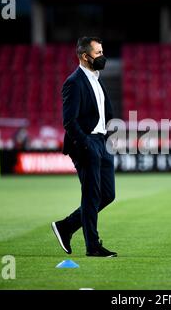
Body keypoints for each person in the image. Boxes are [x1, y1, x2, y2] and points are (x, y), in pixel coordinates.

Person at [51, 36, 117, 257]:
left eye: (101, 51)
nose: (102, 56)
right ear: (84, 56)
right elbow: (69, 121)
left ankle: (66, 226)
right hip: (87, 144)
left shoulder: (96, 79)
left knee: (107, 194)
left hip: (102, 142)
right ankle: (93, 246)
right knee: (91, 196)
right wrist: (86, 143)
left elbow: (105, 112)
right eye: (98, 53)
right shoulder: (74, 82)